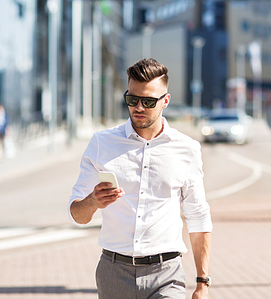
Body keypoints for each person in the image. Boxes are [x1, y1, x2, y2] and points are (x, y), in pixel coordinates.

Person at [68, 58, 212, 299]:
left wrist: (202, 283)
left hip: (166, 274)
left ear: (165, 101)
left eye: (148, 101)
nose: (139, 107)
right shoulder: (102, 144)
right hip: (114, 272)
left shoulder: (186, 149)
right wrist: (93, 201)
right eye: (132, 100)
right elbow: (77, 214)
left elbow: (198, 216)